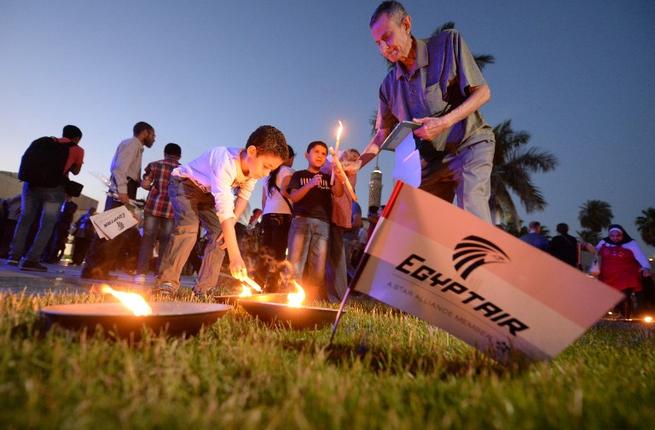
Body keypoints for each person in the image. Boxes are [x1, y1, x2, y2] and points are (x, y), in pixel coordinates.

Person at [359, 1, 495, 222]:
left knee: (471, 209)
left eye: (387, 37)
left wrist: (444, 122)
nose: (383, 48)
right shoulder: (388, 87)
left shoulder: (448, 43)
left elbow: (483, 92)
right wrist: (357, 164)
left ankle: (480, 252)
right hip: (431, 162)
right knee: (411, 219)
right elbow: (381, 135)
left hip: (470, 145)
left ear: (406, 24)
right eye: (377, 43)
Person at [155, 125, 288, 297]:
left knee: (220, 234)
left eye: (271, 169)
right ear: (253, 151)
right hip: (185, 184)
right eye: (266, 166)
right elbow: (224, 208)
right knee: (189, 228)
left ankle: (204, 288)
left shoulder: (252, 172)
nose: (266, 173)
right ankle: (166, 283)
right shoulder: (225, 161)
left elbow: (242, 199)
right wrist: (235, 257)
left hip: (208, 195)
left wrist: (230, 227)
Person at [81, 121, 156, 280]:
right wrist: (123, 191)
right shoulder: (132, 145)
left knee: (111, 231)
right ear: (145, 132)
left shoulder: (134, 146)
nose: (154, 139)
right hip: (122, 190)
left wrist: (139, 183)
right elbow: (119, 169)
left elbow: (125, 170)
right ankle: (96, 270)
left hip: (125, 188)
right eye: (153, 135)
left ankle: (96, 269)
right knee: (113, 232)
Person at [8, 125, 84, 271]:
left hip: (31, 185)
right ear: (77, 138)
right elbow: (75, 171)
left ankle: (14, 256)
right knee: (47, 224)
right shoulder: (77, 149)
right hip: (54, 189)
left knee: (25, 220)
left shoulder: (45, 141)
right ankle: (32, 259)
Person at [286, 141, 345, 301]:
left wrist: (338, 175)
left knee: (318, 265)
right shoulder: (299, 175)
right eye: (316, 152)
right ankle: (291, 298)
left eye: (324, 153)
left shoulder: (328, 177)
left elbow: (338, 193)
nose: (320, 155)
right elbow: (294, 196)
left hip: (323, 223)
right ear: (307, 155)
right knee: (295, 262)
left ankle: (311, 299)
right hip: (301, 221)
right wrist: (311, 184)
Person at [133, 143, 182, 283]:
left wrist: (151, 186)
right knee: (165, 244)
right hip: (171, 211)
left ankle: (140, 275)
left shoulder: (154, 165)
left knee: (148, 241)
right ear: (179, 156)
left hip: (153, 207)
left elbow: (145, 185)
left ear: (165, 153)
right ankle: (159, 276)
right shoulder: (183, 170)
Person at [257, 146, 296, 291]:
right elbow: (286, 192)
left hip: (267, 215)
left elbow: (263, 200)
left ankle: (259, 284)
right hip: (282, 215)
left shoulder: (268, 175)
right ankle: (272, 288)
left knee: (265, 253)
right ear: (288, 158)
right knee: (278, 254)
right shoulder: (288, 171)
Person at [326, 148, 360, 300]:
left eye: (354, 158)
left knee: (337, 257)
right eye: (349, 156)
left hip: (338, 216)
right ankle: (331, 292)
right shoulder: (339, 171)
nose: (352, 159)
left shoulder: (350, 172)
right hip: (332, 215)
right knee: (330, 257)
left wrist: (336, 161)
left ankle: (338, 294)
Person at [595, 225, 652, 317]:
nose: (615, 238)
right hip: (607, 276)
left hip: (626, 276)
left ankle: (625, 318)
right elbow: (595, 252)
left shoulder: (631, 243)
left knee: (624, 296)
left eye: (618, 235)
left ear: (622, 234)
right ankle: (613, 316)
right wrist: (584, 246)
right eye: (612, 236)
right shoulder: (604, 242)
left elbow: (640, 255)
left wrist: (646, 267)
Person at [45, 196, 78, 263]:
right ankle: (47, 256)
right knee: (51, 241)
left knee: (59, 242)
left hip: (63, 226)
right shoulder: (59, 203)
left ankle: (54, 257)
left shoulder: (73, 205)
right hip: (55, 224)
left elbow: (69, 213)